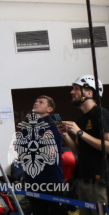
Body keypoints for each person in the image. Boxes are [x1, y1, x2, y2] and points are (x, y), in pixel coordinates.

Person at [58, 75, 109, 215]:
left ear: (89, 92)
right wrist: (65, 135)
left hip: (99, 181)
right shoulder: (81, 119)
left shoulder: (100, 113)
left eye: (76, 88)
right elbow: (79, 151)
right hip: (84, 180)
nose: (71, 92)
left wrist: (79, 132)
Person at [15, 96, 64, 215]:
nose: (36, 103)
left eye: (41, 102)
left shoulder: (54, 125)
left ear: (50, 109)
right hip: (32, 180)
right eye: (35, 101)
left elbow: (48, 151)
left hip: (51, 181)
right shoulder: (27, 127)